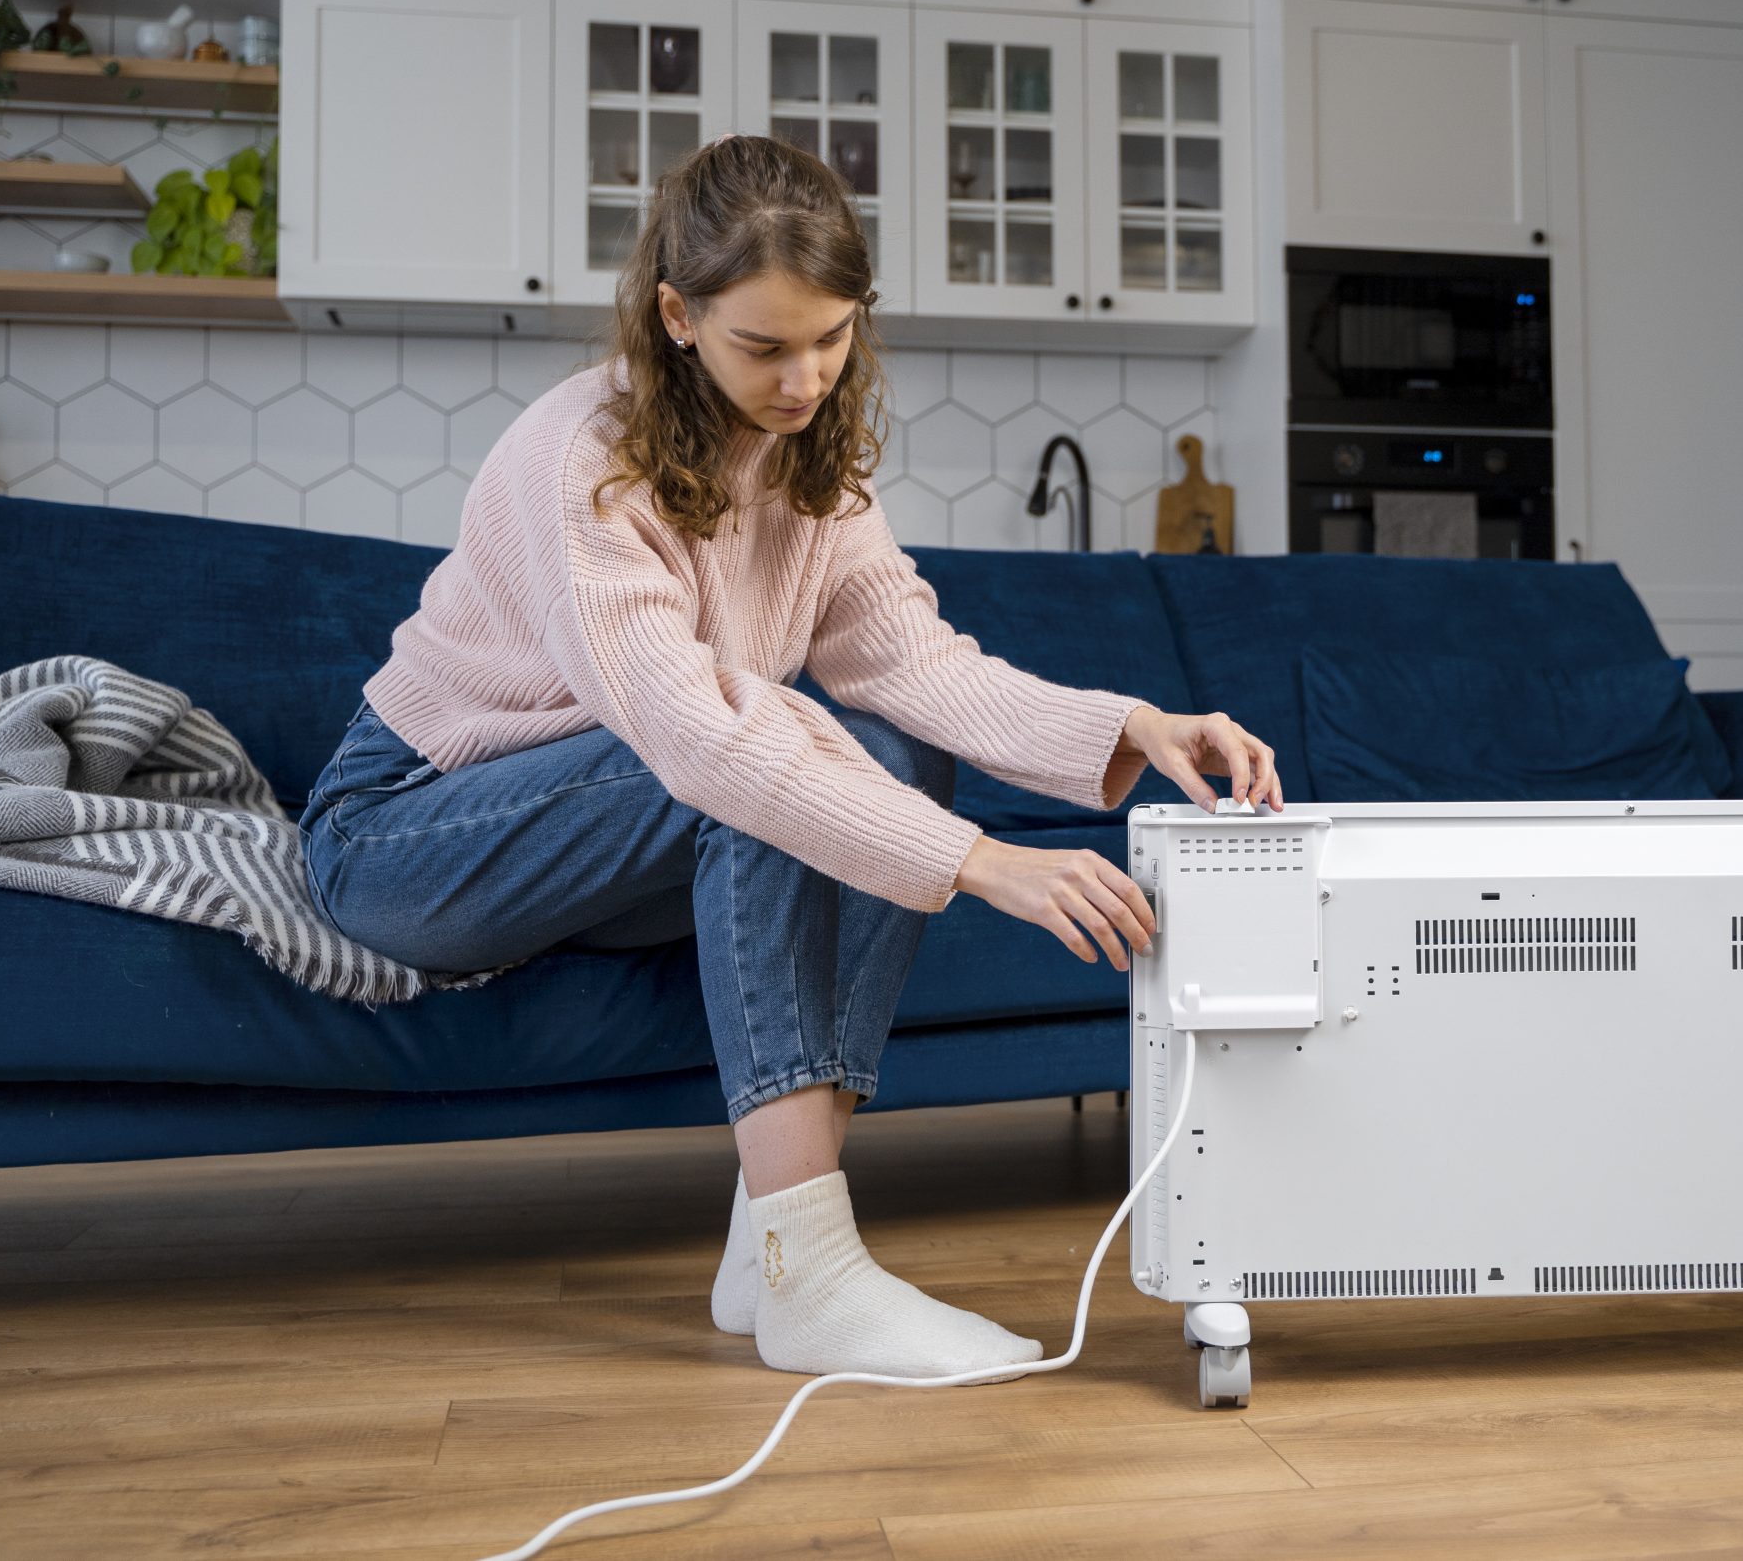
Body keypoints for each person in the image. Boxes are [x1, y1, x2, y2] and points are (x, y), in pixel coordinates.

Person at [297, 133, 1283, 1384]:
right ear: (678, 316)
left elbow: (913, 666)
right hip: (408, 835)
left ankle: (770, 1249)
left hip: (608, 838)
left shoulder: (810, 463)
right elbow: (701, 740)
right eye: (764, 346)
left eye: (831, 337)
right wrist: (983, 865)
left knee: (895, 749)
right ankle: (812, 1272)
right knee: (762, 768)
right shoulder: (580, 461)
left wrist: (1133, 724)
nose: (805, 378)